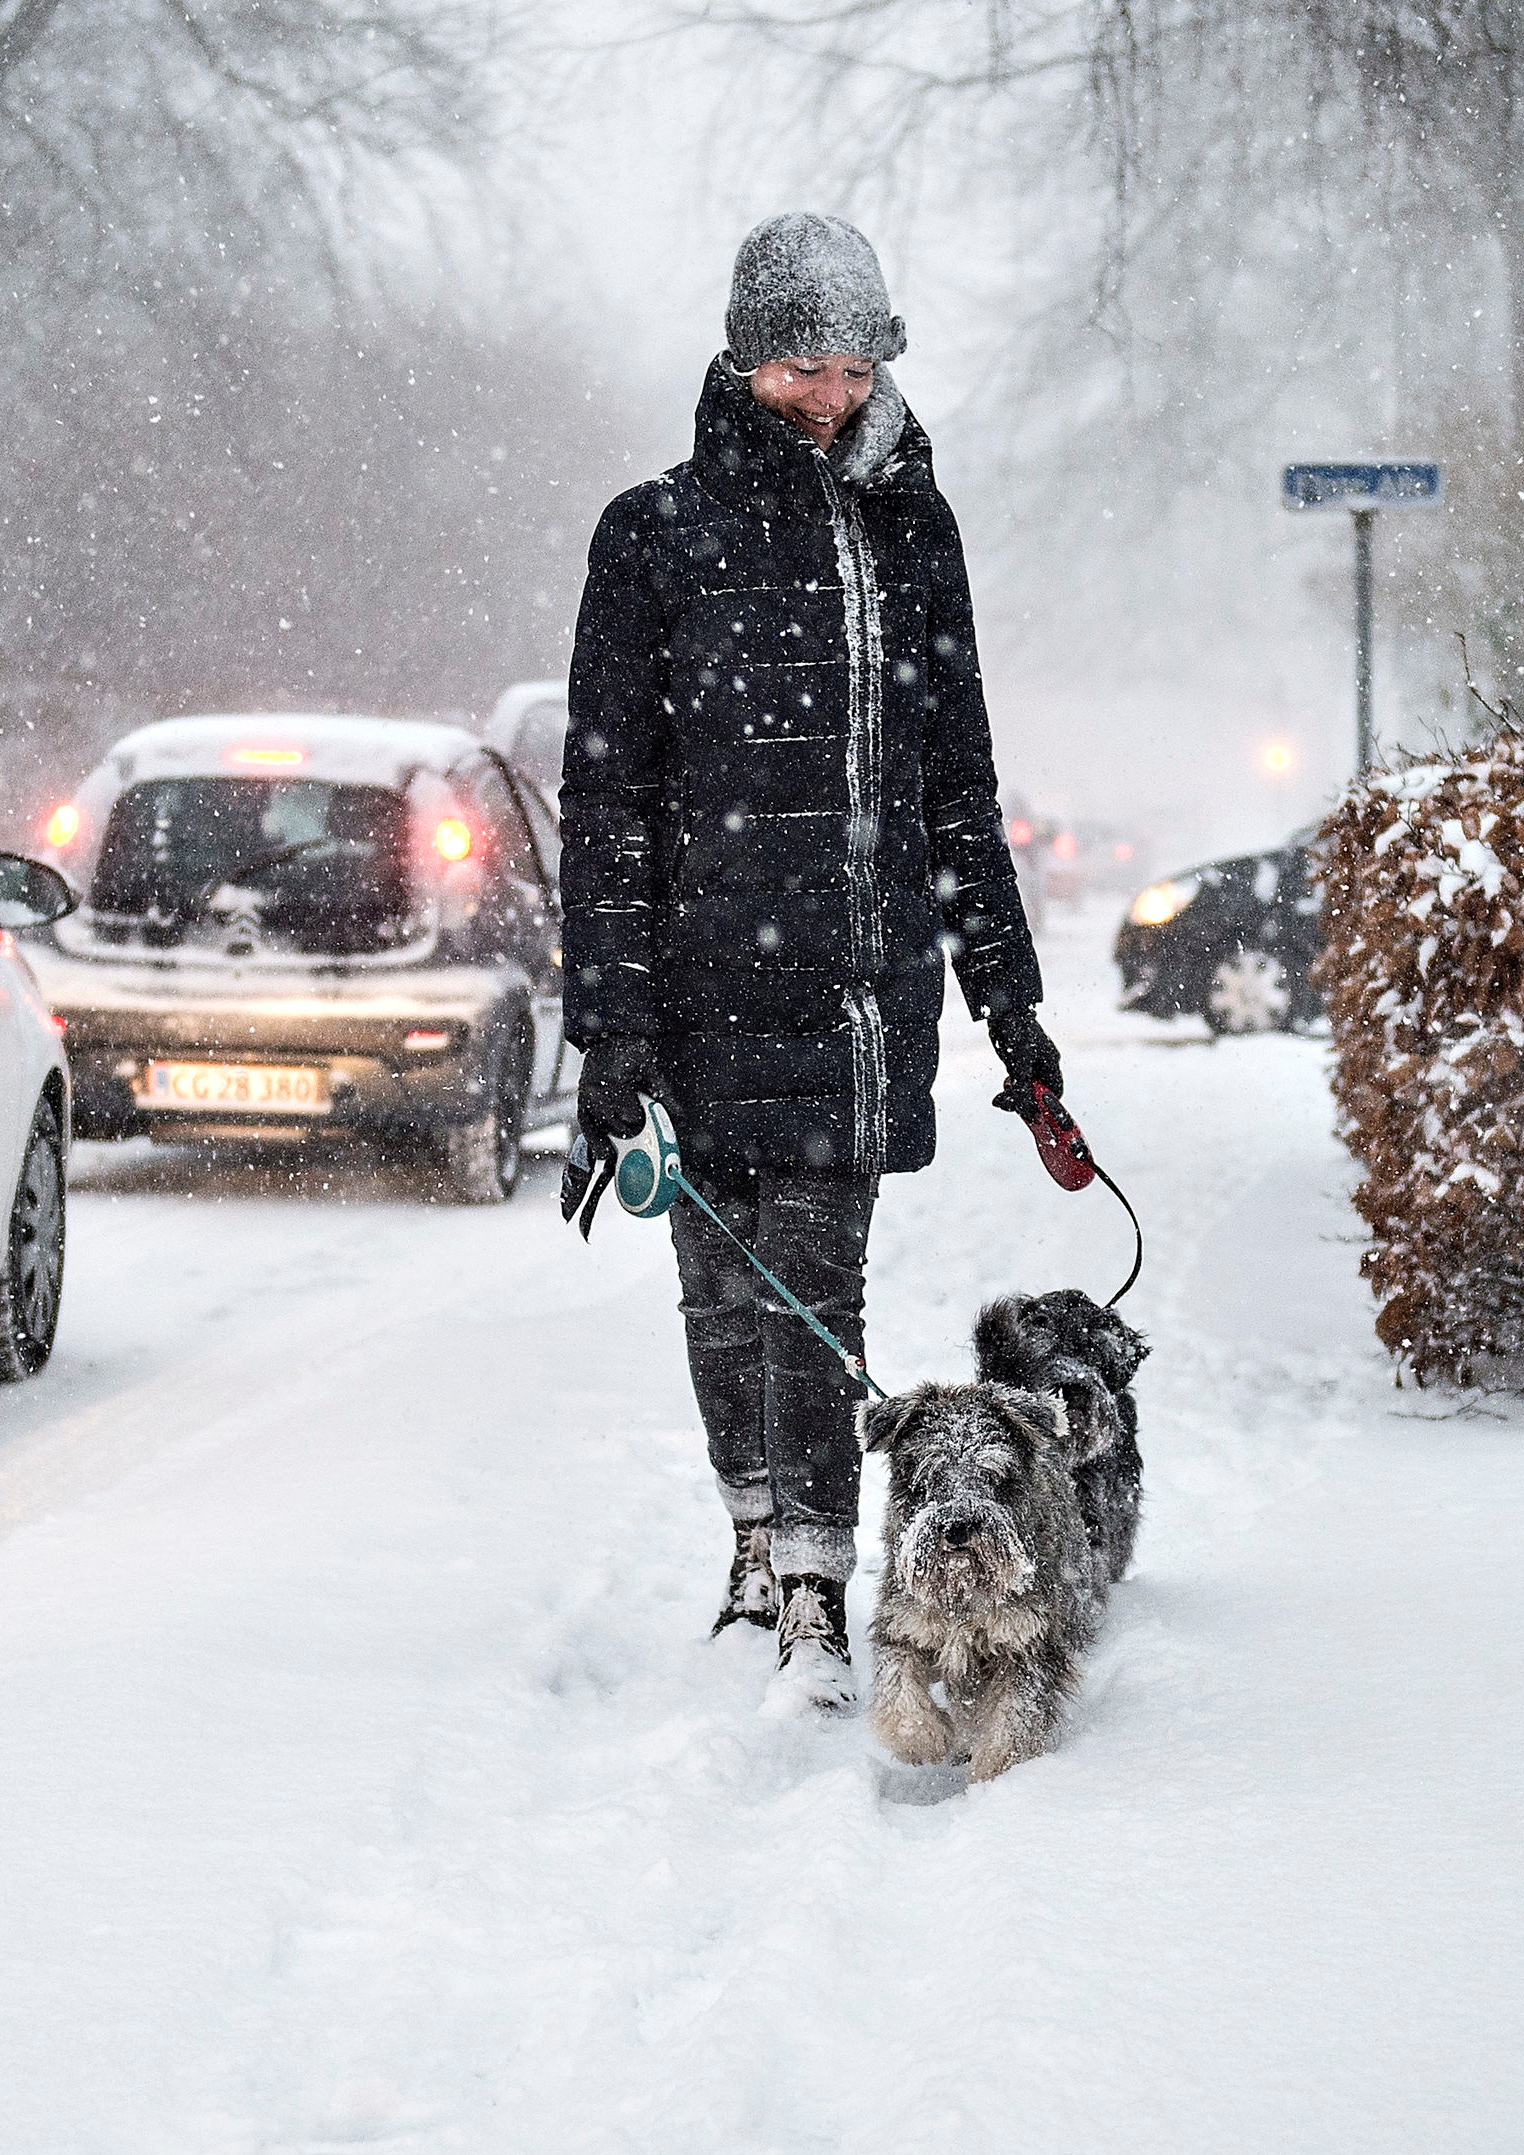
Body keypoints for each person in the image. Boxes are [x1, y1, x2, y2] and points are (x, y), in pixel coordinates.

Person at [557, 212, 1062, 1710]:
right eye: (796, 368)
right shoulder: (653, 536)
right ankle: (753, 1547)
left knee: (813, 1293)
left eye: (850, 367)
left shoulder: (916, 531)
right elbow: (609, 797)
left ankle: (819, 1592)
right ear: (740, 359)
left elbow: (957, 784)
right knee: (720, 1289)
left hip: (853, 994)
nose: (826, 397)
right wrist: (613, 1030)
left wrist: (1012, 1016)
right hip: (704, 994)